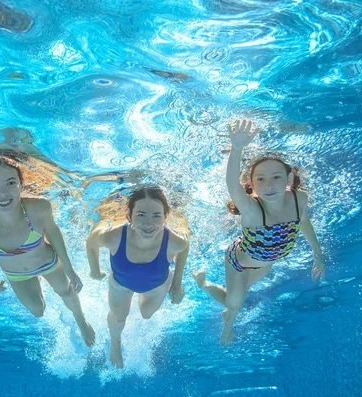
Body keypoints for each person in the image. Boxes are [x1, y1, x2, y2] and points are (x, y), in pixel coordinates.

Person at [191, 119, 325, 346]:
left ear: (289, 180)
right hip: (239, 262)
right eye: (261, 179)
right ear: (251, 185)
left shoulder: (298, 199)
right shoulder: (252, 210)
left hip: (266, 265)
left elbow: (303, 222)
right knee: (235, 305)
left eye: (276, 177)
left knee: (233, 297)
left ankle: (214, 293)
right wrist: (237, 148)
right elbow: (232, 185)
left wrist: (318, 254)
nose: (269, 185)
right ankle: (225, 321)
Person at [0, 151, 95, 347]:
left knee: (66, 292)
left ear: (21, 186)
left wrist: (69, 269)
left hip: (47, 263)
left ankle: (81, 321)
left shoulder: (38, 209)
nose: (3, 192)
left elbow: (55, 235)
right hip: (16, 274)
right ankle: (39, 288)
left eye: (10, 183)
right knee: (38, 311)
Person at [87, 186, 190, 369]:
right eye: (141, 215)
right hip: (121, 284)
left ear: (165, 217)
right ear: (129, 216)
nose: (149, 224)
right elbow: (92, 241)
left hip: (157, 286)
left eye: (156, 216)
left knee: (146, 314)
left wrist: (177, 283)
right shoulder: (114, 236)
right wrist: (94, 269)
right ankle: (115, 344)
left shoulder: (175, 241)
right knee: (119, 317)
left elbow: (184, 246)